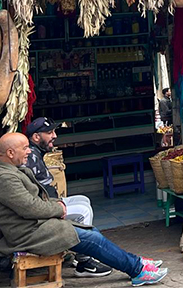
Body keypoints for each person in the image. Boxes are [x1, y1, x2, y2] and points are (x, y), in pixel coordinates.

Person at [0, 133, 168, 286]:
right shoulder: (5, 179)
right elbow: (31, 208)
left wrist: (57, 205)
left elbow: (32, 203)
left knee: (92, 232)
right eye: (24, 148)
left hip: (36, 227)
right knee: (91, 238)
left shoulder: (10, 172)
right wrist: (57, 209)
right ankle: (137, 271)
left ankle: (136, 262)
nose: (28, 152)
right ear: (10, 153)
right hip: (27, 234)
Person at [23, 117, 110, 276]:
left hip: (47, 203)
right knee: (83, 211)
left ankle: (79, 253)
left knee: (84, 200)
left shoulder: (35, 152)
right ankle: (84, 263)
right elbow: (34, 195)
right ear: (36, 137)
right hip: (41, 211)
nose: (54, 136)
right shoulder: (30, 157)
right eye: (49, 132)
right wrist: (55, 206)